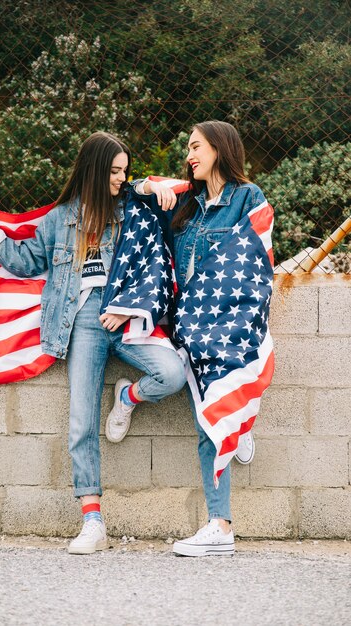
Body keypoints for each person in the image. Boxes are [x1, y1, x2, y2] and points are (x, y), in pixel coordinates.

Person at [0, 131, 186, 555]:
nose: (121, 177)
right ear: (95, 170)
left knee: (172, 374)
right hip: (82, 321)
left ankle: (129, 396)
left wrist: (150, 186)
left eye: (125, 171)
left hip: (130, 319)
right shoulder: (59, 220)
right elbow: (26, 262)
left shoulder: (133, 210)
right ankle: (93, 521)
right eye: (114, 171)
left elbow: (159, 242)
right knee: (81, 420)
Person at [130, 120, 273, 556]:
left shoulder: (247, 198)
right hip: (189, 331)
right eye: (188, 149)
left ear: (220, 148)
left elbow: (258, 262)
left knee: (208, 425)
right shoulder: (184, 202)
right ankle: (235, 424)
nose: (190, 155)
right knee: (210, 421)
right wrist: (158, 187)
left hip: (231, 329)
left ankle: (219, 525)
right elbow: (128, 190)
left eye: (196, 147)